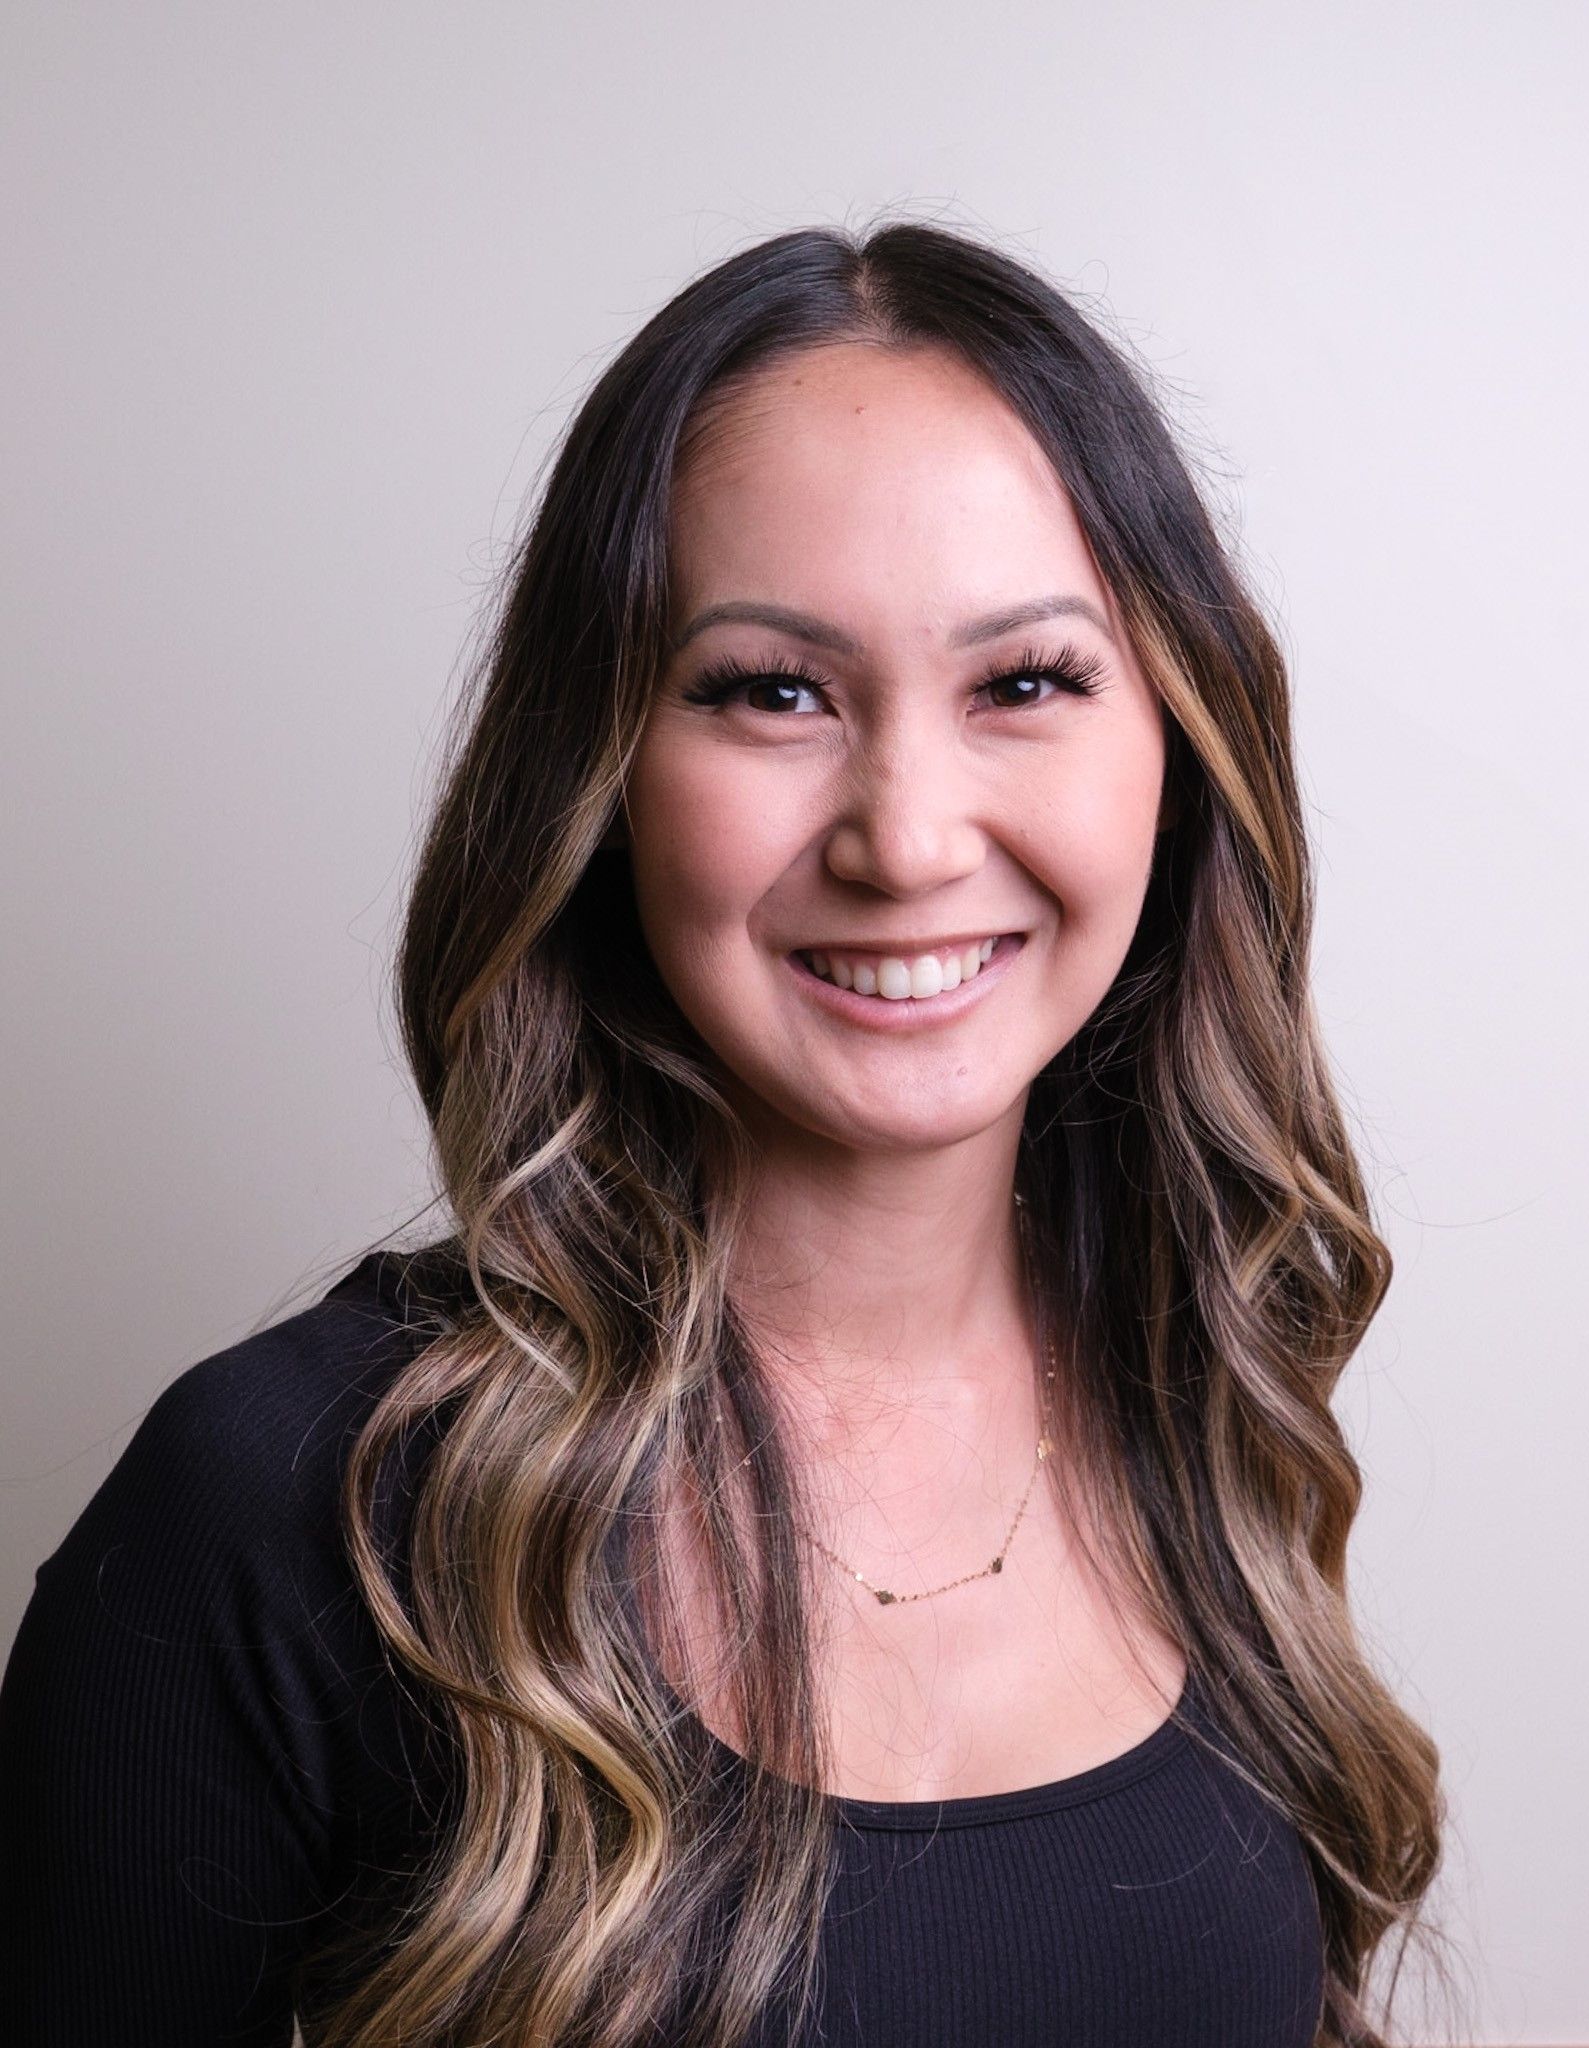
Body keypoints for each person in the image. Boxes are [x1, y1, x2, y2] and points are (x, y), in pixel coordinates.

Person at [0, 220, 1450, 2047]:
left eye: (1024, 683)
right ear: (598, 778)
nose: (906, 838)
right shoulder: (285, 1509)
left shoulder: (1206, 1392)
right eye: (772, 690)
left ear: (1174, 754)